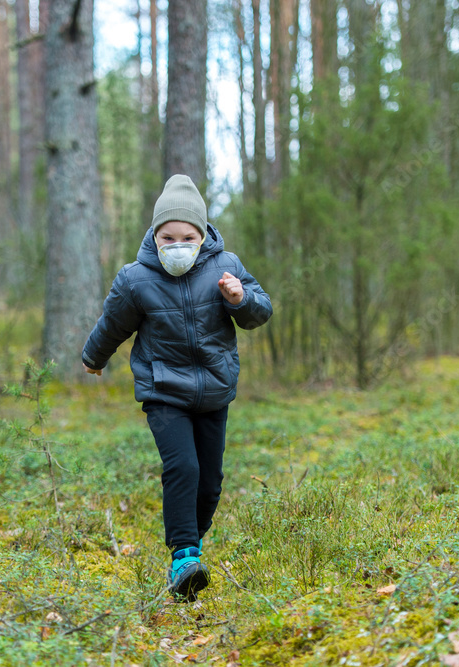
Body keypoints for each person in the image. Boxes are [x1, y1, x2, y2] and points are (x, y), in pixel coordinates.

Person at [80, 174, 272, 602]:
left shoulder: (227, 267)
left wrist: (241, 298)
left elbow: (260, 312)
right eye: (169, 236)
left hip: (214, 391)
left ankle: (192, 552)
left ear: (203, 236)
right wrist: (94, 357)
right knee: (182, 468)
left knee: (211, 482)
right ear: (155, 235)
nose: (179, 244)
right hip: (164, 391)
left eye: (189, 236)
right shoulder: (136, 278)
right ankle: (183, 555)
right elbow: (114, 323)